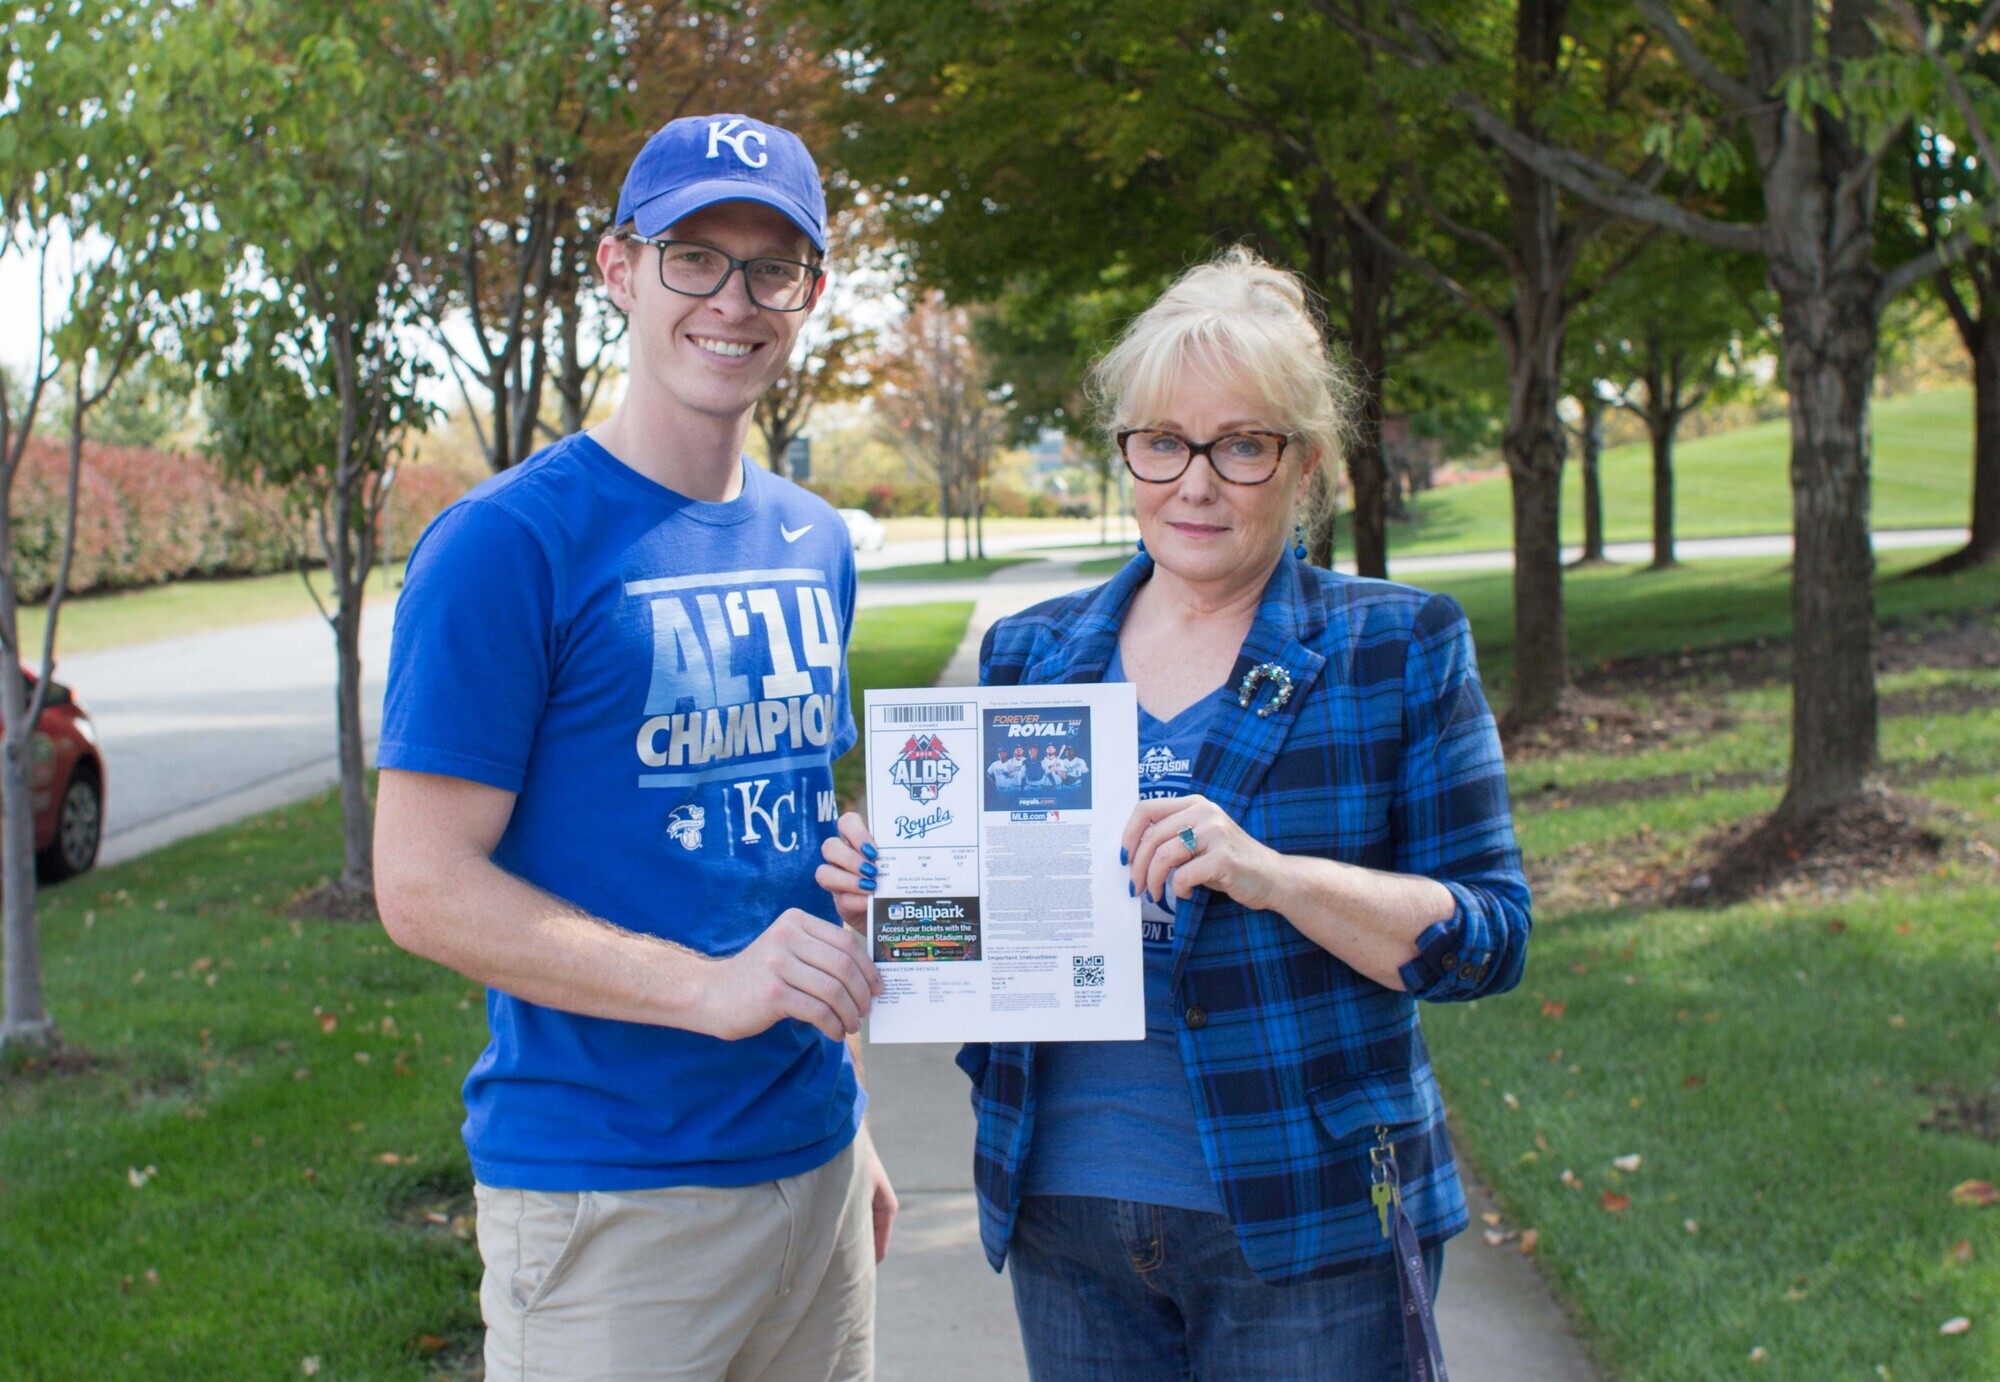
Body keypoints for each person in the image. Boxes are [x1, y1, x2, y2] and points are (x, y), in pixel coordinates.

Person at [821, 247, 1530, 1379]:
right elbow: (981, 942)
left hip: (1308, 1223)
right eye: (1160, 441)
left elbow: (1488, 935)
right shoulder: (1034, 652)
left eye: (1239, 444)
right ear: (1127, 450)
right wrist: (899, 891)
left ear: (1303, 464)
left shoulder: (1394, 645)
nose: (1193, 481)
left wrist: (1272, 872)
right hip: (1064, 1214)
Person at [374, 113, 894, 1382]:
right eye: (692, 256)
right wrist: (703, 987)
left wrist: (856, 1111)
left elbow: (786, 849)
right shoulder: (505, 545)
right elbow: (421, 884)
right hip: (611, 1202)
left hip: (814, 1177)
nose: (734, 297)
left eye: (770, 267)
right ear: (618, 269)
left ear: (809, 294)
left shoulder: (811, 540)